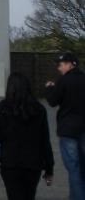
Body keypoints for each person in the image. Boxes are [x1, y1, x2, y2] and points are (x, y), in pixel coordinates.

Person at [0, 72, 54, 200]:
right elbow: (45, 141)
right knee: (29, 196)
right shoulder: (39, 109)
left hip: (10, 162)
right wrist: (49, 168)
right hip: (33, 163)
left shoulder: (2, 108)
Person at [45, 52, 85, 200]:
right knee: (82, 167)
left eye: (61, 64)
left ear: (71, 64)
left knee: (73, 168)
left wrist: (49, 88)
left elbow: (52, 101)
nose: (58, 68)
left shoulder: (63, 81)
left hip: (68, 130)